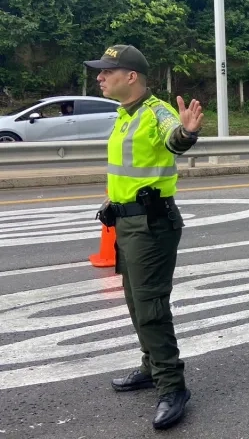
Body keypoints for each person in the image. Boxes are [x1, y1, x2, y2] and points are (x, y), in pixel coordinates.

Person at [84, 44, 202, 430]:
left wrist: (186, 132)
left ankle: (173, 387)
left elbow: (174, 139)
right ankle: (151, 367)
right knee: (136, 303)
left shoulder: (158, 112)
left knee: (151, 308)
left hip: (152, 226)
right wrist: (111, 202)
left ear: (130, 76)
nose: (99, 77)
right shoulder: (124, 115)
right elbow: (130, 170)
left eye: (106, 72)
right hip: (127, 224)